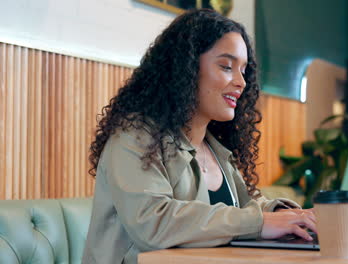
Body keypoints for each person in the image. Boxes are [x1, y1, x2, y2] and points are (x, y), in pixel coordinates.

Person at [82, 9, 316, 264]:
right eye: (227, 66)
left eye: (243, 71)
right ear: (186, 67)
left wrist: (287, 215)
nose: (241, 82)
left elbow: (246, 206)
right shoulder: (134, 137)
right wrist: (261, 222)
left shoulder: (214, 148)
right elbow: (154, 223)